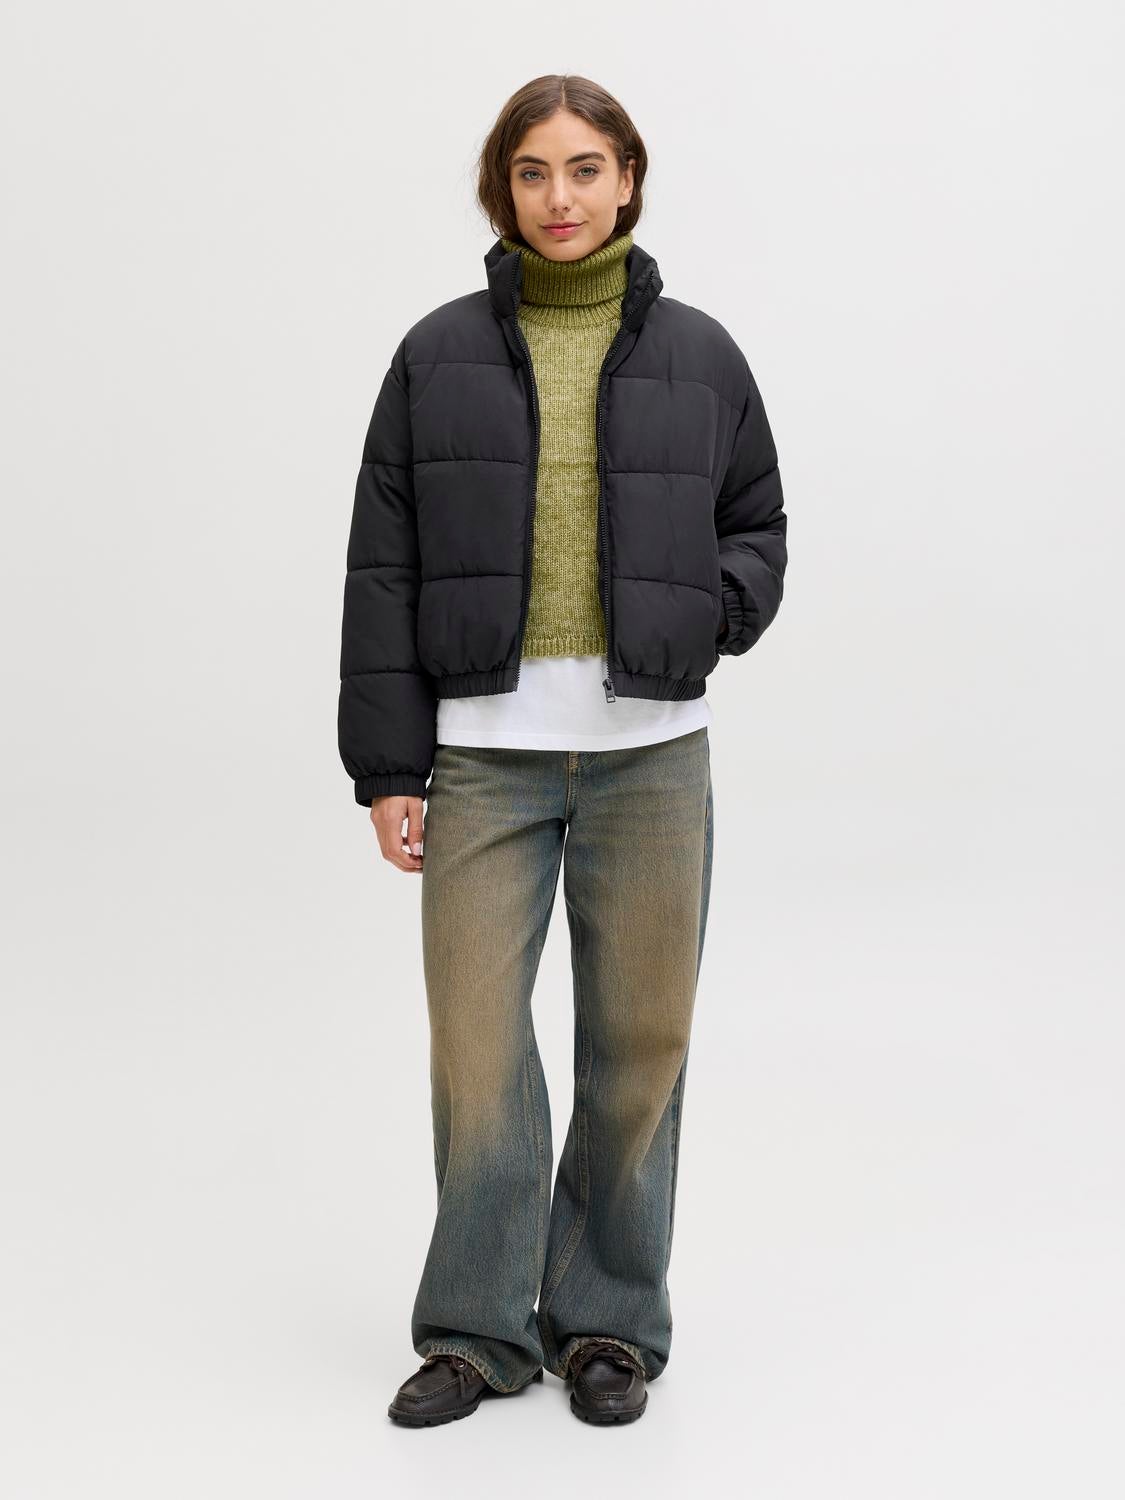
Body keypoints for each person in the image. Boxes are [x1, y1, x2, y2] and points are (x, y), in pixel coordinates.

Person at [338, 74, 787, 1427]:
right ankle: (477, 1331)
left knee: (639, 1046)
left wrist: (703, 617)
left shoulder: (702, 354)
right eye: (532, 172)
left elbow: (758, 525)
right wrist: (389, 768)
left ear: (628, 179)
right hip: (484, 757)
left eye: (586, 168)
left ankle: (606, 1325)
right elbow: (382, 566)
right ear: (503, 189)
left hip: (654, 759)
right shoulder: (435, 353)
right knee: (478, 1055)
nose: (560, 197)